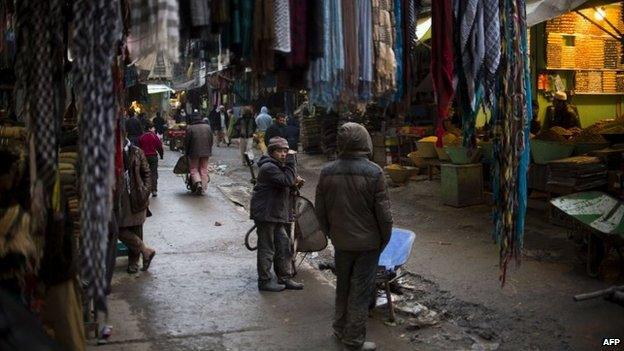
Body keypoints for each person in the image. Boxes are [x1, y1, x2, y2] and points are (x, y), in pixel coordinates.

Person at [315, 122, 393, 351]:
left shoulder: (326, 171)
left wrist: (332, 234)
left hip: (341, 242)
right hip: (368, 244)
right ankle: (354, 339)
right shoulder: (374, 172)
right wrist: (382, 241)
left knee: (343, 286)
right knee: (360, 291)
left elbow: (320, 210)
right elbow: (385, 216)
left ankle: (339, 328)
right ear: (364, 141)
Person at [250, 137, 304, 292]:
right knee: (267, 247)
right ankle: (265, 281)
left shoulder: (279, 166)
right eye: (280, 151)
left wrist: (295, 184)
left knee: (283, 245)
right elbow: (287, 180)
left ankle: (284, 277)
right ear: (272, 152)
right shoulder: (268, 167)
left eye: (286, 151)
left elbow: (287, 183)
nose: (283, 154)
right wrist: (292, 161)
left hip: (275, 212)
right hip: (266, 213)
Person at [119, 133, 156, 274]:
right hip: (120, 199)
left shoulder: (137, 152)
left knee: (136, 229)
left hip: (137, 196)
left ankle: (134, 262)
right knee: (118, 228)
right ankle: (145, 251)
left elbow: (147, 173)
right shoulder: (111, 152)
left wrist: (145, 191)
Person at [185, 113, 213, 195]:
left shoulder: (190, 128)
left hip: (194, 152)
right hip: (206, 152)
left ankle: (198, 183)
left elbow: (187, 142)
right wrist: (209, 150)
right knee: (204, 169)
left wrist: (186, 152)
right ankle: (204, 188)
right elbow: (211, 140)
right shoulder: (208, 127)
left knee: (194, 169)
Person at [138, 122, 164, 197]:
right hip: (153, 157)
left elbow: (139, 147)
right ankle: (154, 190)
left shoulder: (142, 137)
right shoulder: (154, 136)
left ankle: (144, 188)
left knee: (144, 172)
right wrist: (161, 155)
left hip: (144, 157)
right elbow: (159, 146)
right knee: (154, 173)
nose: (154, 129)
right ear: (149, 128)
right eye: (153, 128)